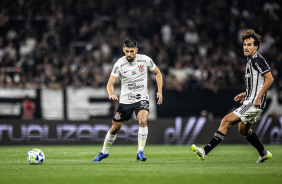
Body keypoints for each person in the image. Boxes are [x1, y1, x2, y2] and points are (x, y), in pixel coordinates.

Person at [191, 29, 274, 163]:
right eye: (245, 45)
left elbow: (269, 79)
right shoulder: (250, 60)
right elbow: (258, 82)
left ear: (256, 46)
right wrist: (246, 93)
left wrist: (258, 97)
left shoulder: (257, 59)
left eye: (249, 45)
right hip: (251, 99)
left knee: (226, 120)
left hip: (254, 102)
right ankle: (263, 153)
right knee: (243, 130)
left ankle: (205, 150)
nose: (246, 48)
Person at [93, 39, 163, 162]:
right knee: (114, 128)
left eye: (131, 51)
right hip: (125, 101)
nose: (129, 54)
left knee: (142, 120)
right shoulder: (119, 64)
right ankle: (104, 152)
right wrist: (111, 93)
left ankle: (140, 152)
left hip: (141, 98)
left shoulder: (145, 60)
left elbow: (158, 73)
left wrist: (159, 91)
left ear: (136, 50)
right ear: (123, 50)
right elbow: (110, 83)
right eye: (127, 51)